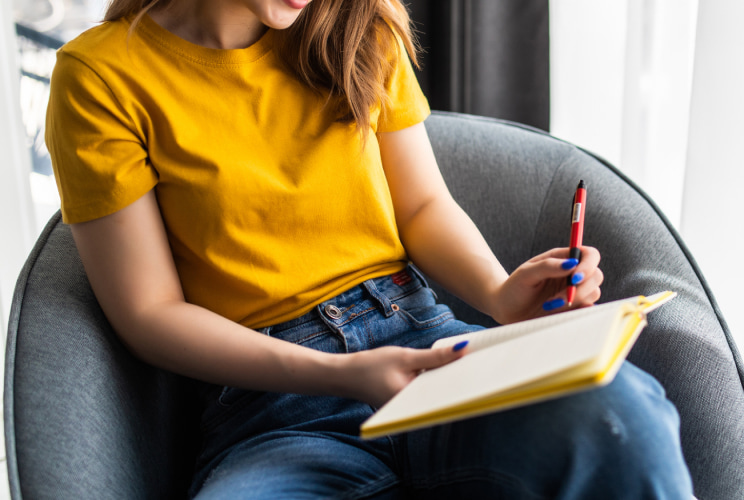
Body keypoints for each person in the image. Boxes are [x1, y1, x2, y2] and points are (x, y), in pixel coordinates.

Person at [45, 0, 694, 497]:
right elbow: (149, 313)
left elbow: (420, 206)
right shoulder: (100, 76)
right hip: (271, 407)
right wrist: (338, 374)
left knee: (623, 416)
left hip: (426, 347)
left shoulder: (357, 23)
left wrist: (501, 294)